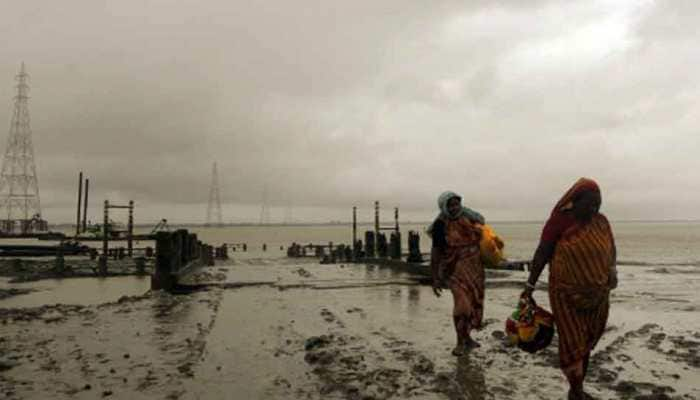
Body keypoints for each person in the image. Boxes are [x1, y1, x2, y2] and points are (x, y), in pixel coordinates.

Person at [522, 178, 617, 400]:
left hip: (598, 295)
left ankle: (578, 389)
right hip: (565, 295)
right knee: (573, 342)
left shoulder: (601, 221)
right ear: (574, 201)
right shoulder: (559, 221)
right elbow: (542, 253)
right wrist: (530, 286)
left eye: (598, 203)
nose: (594, 208)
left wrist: (613, 270)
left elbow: (611, 249)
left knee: (586, 343)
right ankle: (575, 391)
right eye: (590, 203)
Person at [428, 191, 485, 356]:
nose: (454, 208)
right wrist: (435, 277)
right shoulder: (440, 225)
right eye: (450, 205)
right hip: (453, 269)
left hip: (475, 269)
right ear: (443, 207)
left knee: (473, 304)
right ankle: (460, 343)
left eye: (456, 204)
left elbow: (483, 232)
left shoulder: (469, 217)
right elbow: (436, 252)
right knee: (462, 306)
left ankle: (467, 338)